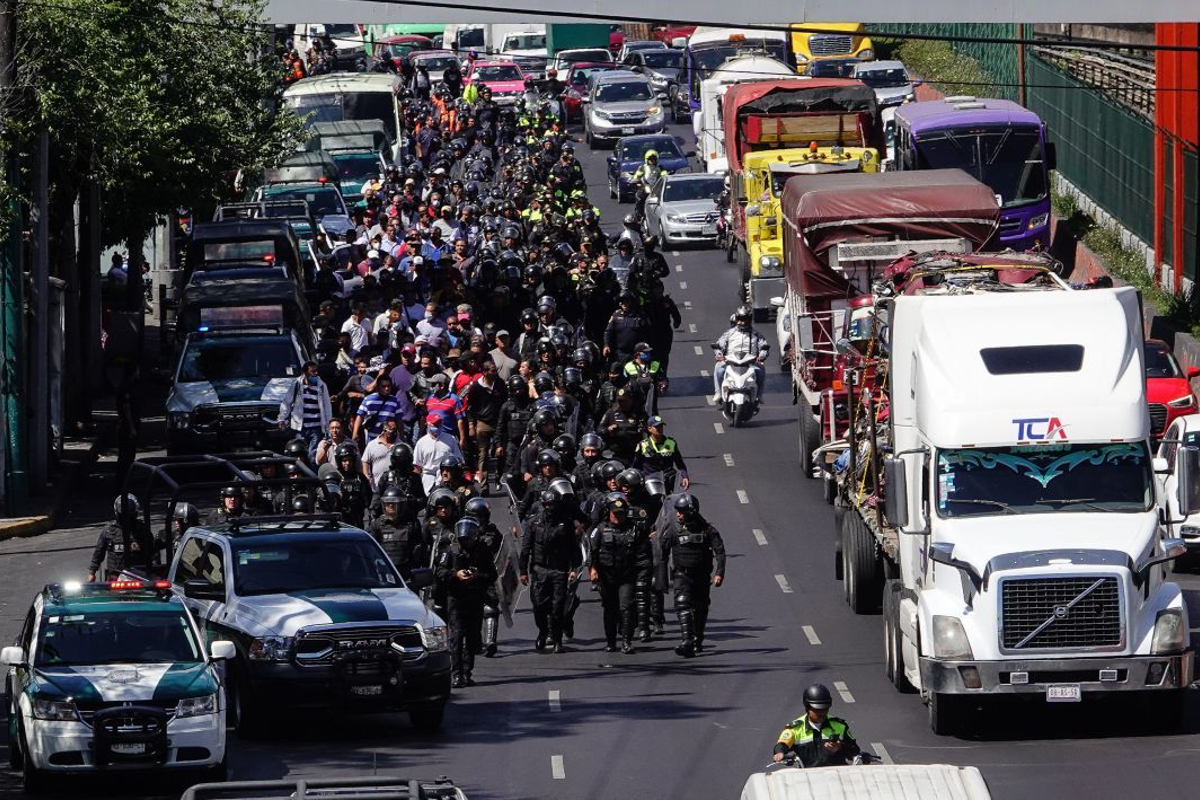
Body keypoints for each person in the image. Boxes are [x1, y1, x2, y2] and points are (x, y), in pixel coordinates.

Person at [657, 493, 725, 657]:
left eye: (682, 512)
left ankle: (697, 640)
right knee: (682, 604)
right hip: (682, 575)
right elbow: (662, 555)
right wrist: (662, 581)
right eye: (677, 512)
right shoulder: (673, 530)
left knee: (700, 608)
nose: (678, 515)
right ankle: (687, 641)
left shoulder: (708, 530)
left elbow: (720, 552)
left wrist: (719, 573)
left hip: (701, 577)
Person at [435, 517, 497, 688]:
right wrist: (455, 574)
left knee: (472, 637)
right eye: (464, 539)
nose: (466, 542)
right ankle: (456, 674)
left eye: (469, 539)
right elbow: (439, 572)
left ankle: (467, 673)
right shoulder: (450, 550)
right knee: (456, 636)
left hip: (475, 598)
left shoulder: (482, 550)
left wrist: (478, 576)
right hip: (456, 598)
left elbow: (492, 574)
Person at [519, 485, 582, 653]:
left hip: (559, 571)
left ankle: (557, 639)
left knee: (557, 607)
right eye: (546, 505)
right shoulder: (534, 523)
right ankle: (543, 632)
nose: (549, 508)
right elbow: (525, 549)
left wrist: (575, 569)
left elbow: (574, 548)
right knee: (539, 605)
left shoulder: (566, 523)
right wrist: (523, 571)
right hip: (539, 570)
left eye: (552, 505)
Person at [588, 492, 652, 654]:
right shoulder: (600, 530)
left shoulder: (634, 530)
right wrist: (593, 569)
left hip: (627, 576)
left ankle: (626, 641)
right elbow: (592, 551)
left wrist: (644, 576)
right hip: (607, 577)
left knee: (626, 607)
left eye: (621, 514)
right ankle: (611, 642)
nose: (617, 517)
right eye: (614, 514)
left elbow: (644, 554)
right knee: (610, 609)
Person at [772, 684, 862, 768]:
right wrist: (780, 753)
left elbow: (855, 751)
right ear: (807, 708)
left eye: (825, 709)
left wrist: (840, 747)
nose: (821, 713)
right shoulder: (795, 729)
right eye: (817, 710)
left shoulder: (840, 726)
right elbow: (782, 745)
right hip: (808, 779)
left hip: (838, 778)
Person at [87, 494, 156, 581]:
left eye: (129, 516)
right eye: (123, 516)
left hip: (139, 577)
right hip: (115, 578)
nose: (127, 519)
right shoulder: (109, 531)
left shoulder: (143, 530)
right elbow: (98, 553)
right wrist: (91, 573)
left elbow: (152, 553)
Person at [713, 305, 769, 404]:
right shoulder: (729, 334)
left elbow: (764, 346)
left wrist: (762, 356)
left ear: (749, 320)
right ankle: (718, 393)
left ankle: (759, 395)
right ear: (736, 320)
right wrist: (719, 354)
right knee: (719, 369)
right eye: (740, 319)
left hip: (751, 363)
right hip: (731, 362)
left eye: (745, 319)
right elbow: (719, 345)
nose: (742, 322)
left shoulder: (756, 335)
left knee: (761, 371)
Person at [279, 360, 334, 460]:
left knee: (312, 455)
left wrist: (328, 427)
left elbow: (327, 407)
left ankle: (313, 475)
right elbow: (287, 402)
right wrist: (281, 418)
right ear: (305, 372)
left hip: (316, 428)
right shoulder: (297, 385)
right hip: (300, 429)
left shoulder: (321, 386)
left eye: (316, 371)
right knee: (300, 453)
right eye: (312, 371)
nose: (315, 374)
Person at [369, 487, 425, 580]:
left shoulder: (412, 524)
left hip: (407, 575)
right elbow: (371, 550)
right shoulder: (377, 524)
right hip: (384, 574)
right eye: (388, 503)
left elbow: (419, 551)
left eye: (394, 503)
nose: (390, 506)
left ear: (402, 504)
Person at [632, 415, 690, 492]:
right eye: (656, 427)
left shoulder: (671, 443)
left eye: (661, 426)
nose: (659, 429)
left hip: (669, 482)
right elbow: (636, 465)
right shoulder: (642, 445)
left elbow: (680, 463)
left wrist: (685, 476)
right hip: (650, 483)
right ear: (649, 429)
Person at [413, 413, 465, 493]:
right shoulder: (421, 442)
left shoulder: (450, 439)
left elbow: (459, 459)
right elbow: (417, 466)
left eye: (439, 423)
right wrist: (416, 484)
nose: (437, 426)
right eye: (434, 424)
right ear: (427, 424)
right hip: (428, 478)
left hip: (445, 477)